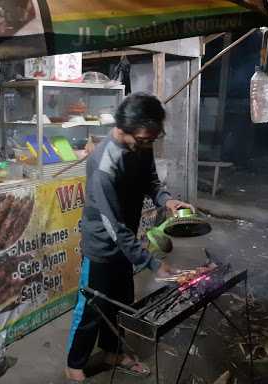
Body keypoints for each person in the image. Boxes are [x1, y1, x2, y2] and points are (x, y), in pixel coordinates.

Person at [65, 93, 194, 382]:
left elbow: (150, 181)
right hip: (102, 244)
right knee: (91, 308)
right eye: (144, 139)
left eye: (151, 139)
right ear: (123, 129)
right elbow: (113, 225)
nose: (148, 145)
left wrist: (167, 200)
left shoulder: (141, 144)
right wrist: (151, 261)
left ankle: (113, 351)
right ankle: (74, 365)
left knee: (121, 301)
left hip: (125, 242)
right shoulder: (104, 165)